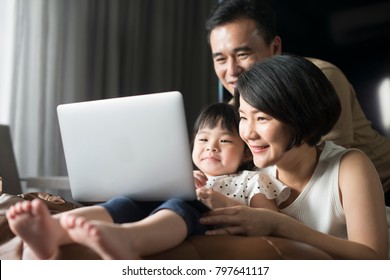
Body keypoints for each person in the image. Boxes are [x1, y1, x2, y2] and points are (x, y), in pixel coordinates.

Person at [6, 103, 290, 260]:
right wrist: (179, 181)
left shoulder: (251, 179)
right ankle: (56, 230)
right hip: (170, 204)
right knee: (133, 198)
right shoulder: (183, 174)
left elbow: (269, 221)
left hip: (206, 221)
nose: (210, 147)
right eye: (203, 139)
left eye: (225, 141)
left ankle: (130, 240)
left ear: (244, 155)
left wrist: (220, 201)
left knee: (183, 202)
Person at [199, 54, 390, 259]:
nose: (248, 133)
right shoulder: (253, 176)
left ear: (302, 118)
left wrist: (278, 224)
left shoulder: (349, 166)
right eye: (244, 117)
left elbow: (373, 258)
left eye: (262, 118)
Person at [205, 0, 390, 204]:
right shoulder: (235, 109)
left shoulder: (317, 80)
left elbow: (320, 171)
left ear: (275, 47)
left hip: (382, 186)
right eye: (221, 59)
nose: (231, 71)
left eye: (242, 54)